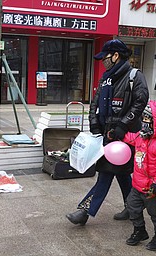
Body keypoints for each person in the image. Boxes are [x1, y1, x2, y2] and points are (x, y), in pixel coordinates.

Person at [66, 39, 149, 225]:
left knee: (106, 172)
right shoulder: (106, 78)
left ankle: (85, 211)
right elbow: (95, 103)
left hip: (124, 137)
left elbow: (140, 103)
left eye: (105, 57)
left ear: (116, 56)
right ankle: (132, 208)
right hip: (106, 134)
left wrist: (123, 126)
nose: (103, 60)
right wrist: (94, 124)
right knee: (120, 172)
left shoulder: (135, 76)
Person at [123, 101, 156, 251]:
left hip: (152, 188)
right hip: (137, 184)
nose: (145, 123)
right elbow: (129, 137)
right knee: (132, 207)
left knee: (154, 214)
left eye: (148, 120)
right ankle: (140, 231)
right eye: (144, 119)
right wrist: (117, 133)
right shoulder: (140, 137)